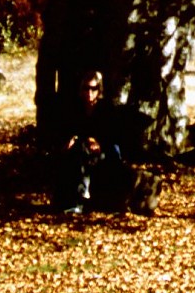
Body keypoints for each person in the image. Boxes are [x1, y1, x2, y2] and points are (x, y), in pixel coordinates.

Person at [52, 69, 156, 214]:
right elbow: (73, 129)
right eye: (86, 88)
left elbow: (112, 134)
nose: (89, 92)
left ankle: (89, 196)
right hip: (84, 149)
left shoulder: (106, 109)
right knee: (74, 154)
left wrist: (98, 142)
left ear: (99, 90)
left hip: (105, 149)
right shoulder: (76, 108)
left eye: (93, 88)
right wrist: (73, 139)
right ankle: (76, 198)